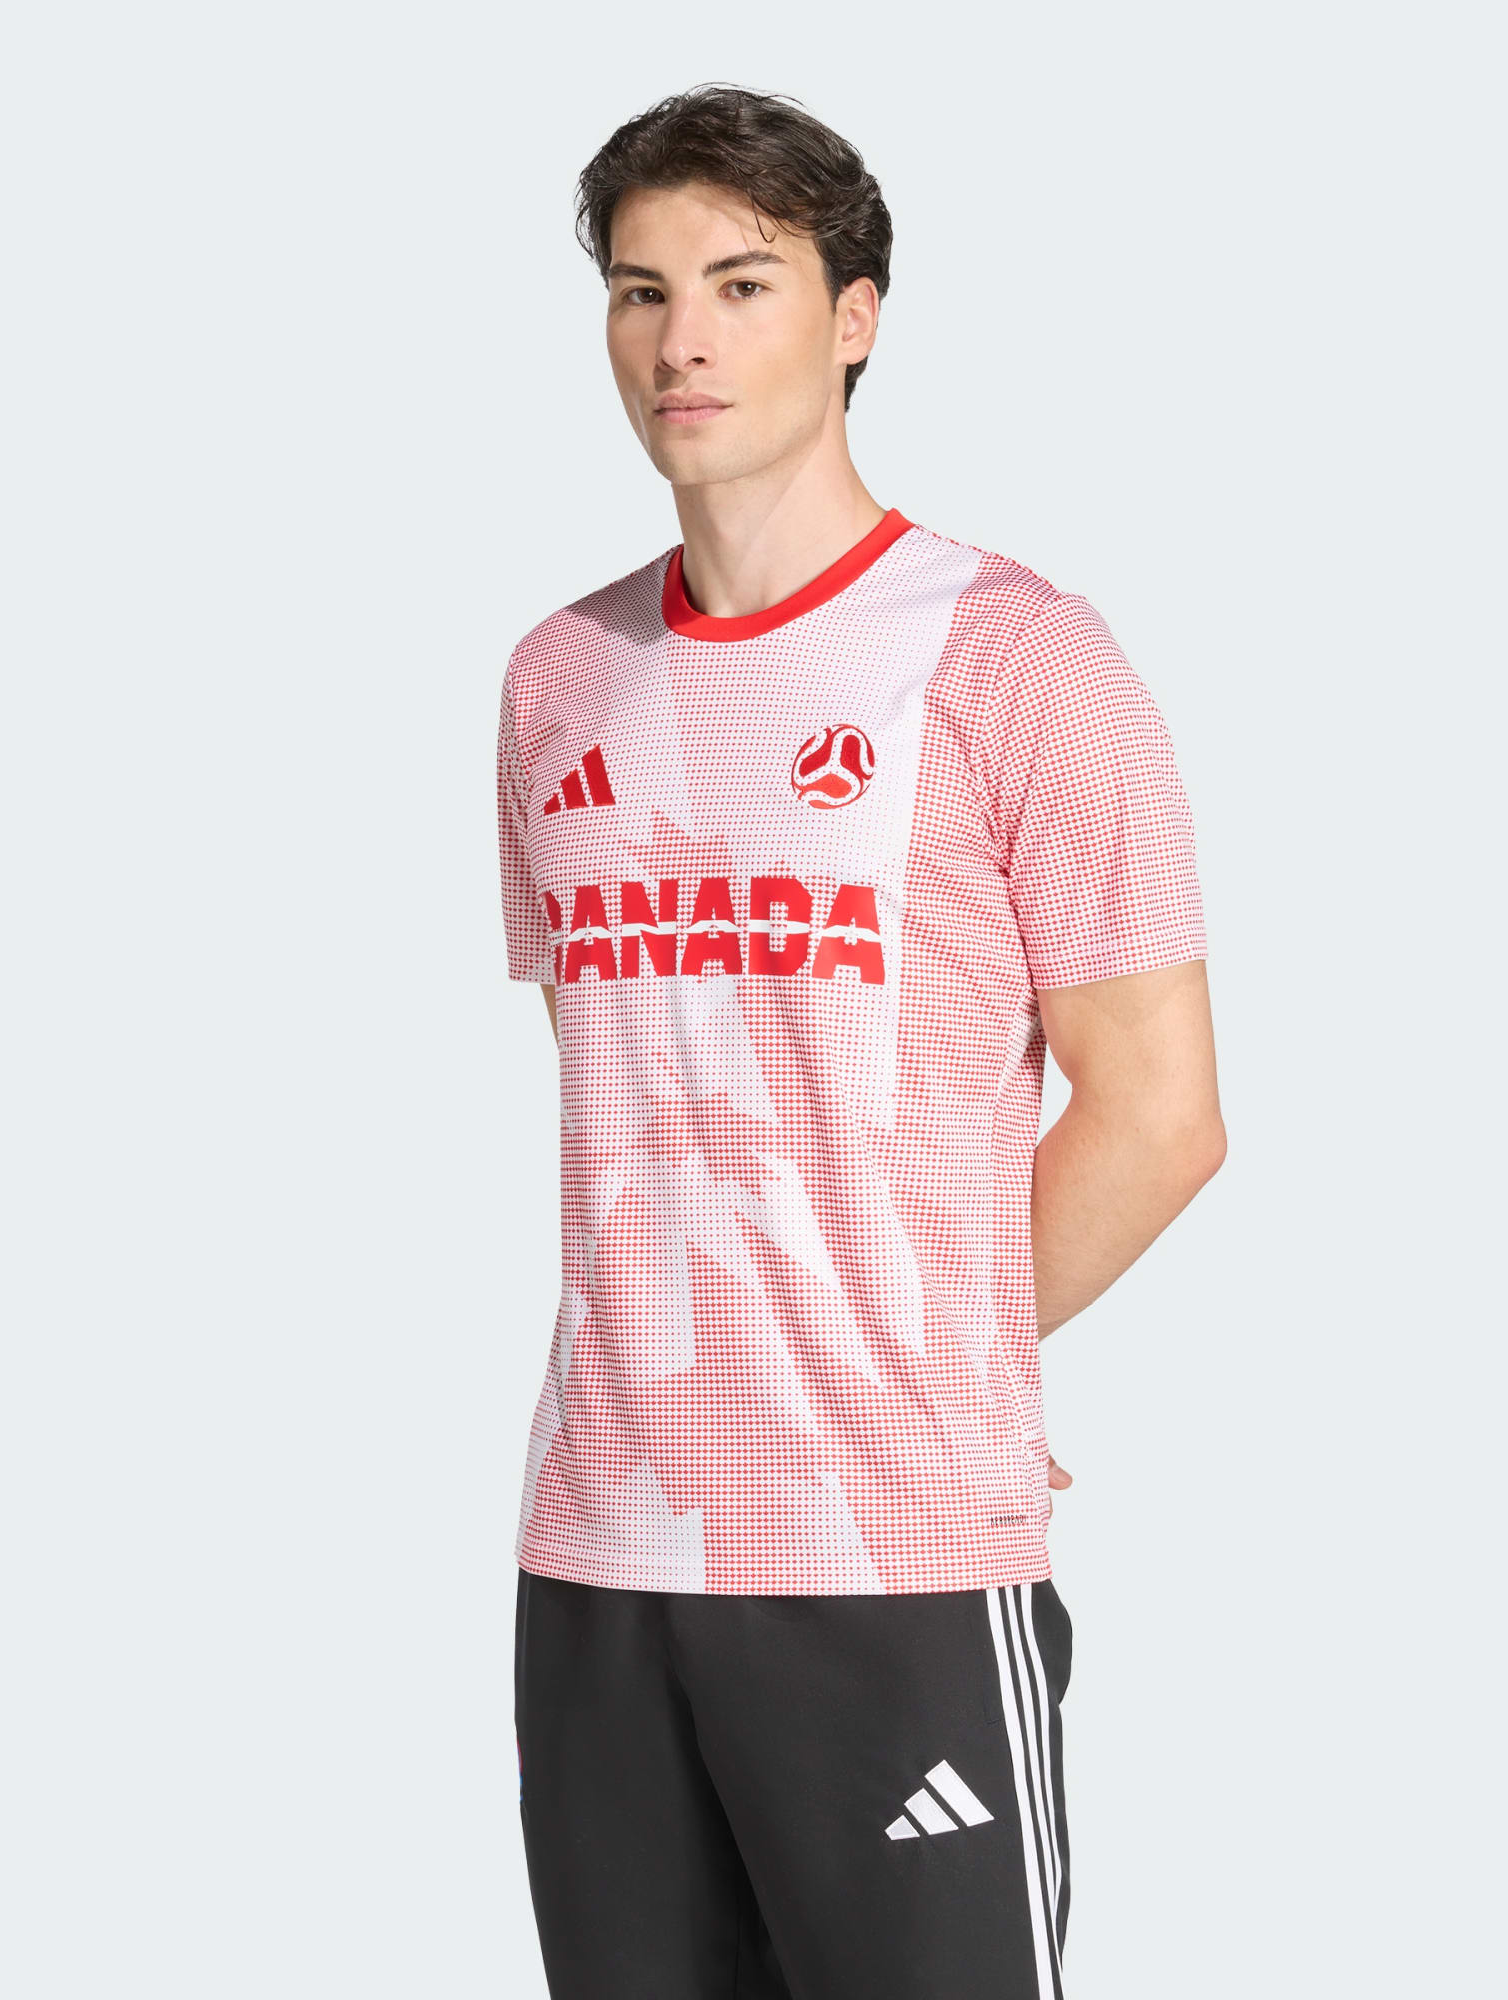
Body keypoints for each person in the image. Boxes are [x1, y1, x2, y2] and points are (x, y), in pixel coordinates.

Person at [496, 83, 1226, 2000]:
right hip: (602, 1550)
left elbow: (1161, 1113)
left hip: (890, 1563)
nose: (685, 339)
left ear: (855, 317)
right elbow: (650, 1087)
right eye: (642, 291)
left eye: (742, 284)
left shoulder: (1018, 655)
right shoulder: (557, 678)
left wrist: (927, 1355)